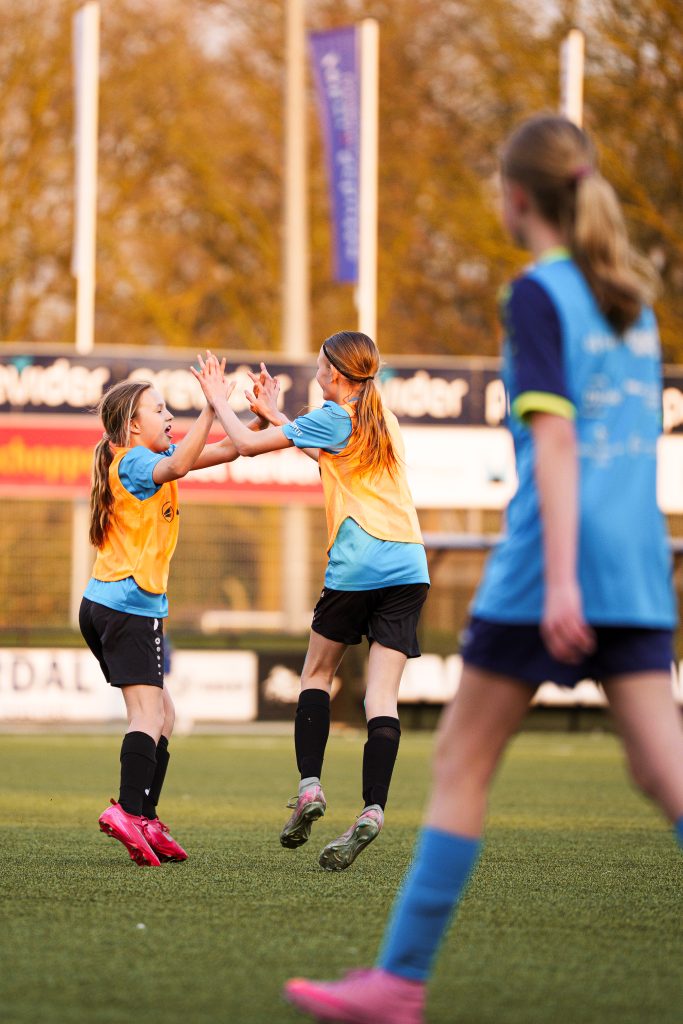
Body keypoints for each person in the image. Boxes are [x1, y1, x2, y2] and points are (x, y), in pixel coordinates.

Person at [282, 114, 683, 1022]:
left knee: (461, 762)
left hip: (553, 566)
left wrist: (563, 581)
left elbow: (553, 440)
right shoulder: (632, 299)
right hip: (639, 570)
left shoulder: (539, 294)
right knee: (666, 774)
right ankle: (395, 980)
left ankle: (397, 983)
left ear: (514, 197)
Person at [209, 331, 430, 870]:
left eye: (319, 366)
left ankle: (310, 788)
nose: (315, 371)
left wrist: (219, 401)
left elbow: (243, 445)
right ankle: (373, 809)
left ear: (336, 373)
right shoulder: (383, 420)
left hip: (358, 567)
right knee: (382, 698)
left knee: (316, 673)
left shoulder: (335, 415)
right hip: (409, 568)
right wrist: (280, 414)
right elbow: (320, 450)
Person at [80, 353, 261, 867]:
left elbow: (227, 450)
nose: (167, 417)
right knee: (148, 713)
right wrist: (212, 404)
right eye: (158, 410)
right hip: (126, 605)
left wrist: (264, 421)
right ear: (131, 426)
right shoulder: (136, 460)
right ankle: (129, 813)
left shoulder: (149, 459)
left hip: (111, 604)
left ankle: (146, 816)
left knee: (165, 714)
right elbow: (181, 462)